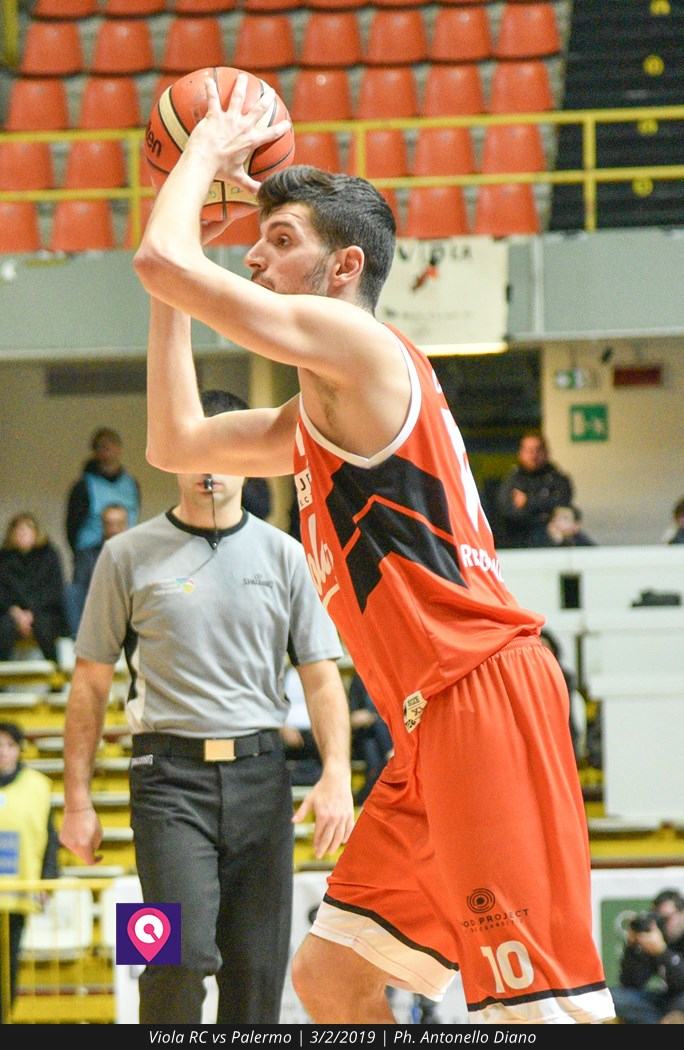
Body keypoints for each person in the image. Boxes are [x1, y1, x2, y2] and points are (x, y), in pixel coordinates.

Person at [132, 75, 614, 1024]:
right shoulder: (318, 411)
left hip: (482, 693)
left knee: (540, 1014)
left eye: (281, 241)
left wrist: (201, 159)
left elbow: (159, 257)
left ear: (343, 267)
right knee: (331, 980)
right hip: (428, 722)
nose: (257, 258)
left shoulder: (360, 348)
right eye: (257, 240)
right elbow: (176, 442)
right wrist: (177, 273)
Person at [59, 389, 354, 1026]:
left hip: (262, 779)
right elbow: (89, 685)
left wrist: (336, 773)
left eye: (224, 450)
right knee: (175, 957)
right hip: (166, 784)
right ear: (172, 456)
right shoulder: (124, 555)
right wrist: (77, 800)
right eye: (196, 450)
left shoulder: (286, 554)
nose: (209, 467)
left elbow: (322, 678)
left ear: (249, 461)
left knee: (256, 976)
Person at [0, 721, 59, 1024]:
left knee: (8, 966)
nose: (2, 752)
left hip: (16, 896)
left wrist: (48, 881)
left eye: (9, 745)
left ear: (19, 749)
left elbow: (50, 840)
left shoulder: (37, 787)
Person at [0, 513, 67, 663]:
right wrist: (16, 612)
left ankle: (55, 670)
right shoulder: (3, 558)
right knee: (4, 627)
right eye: (19, 531)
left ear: (36, 533)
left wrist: (32, 612)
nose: (22, 534)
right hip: (10, 612)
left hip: (44, 610)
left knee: (45, 626)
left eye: (27, 530)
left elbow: (54, 590)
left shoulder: (49, 555)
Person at [610, 889, 684, 1024]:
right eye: (658, 919)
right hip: (663, 1001)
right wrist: (633, 947)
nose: (662, 924)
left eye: (666, 919)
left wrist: (663, 953)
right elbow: (630, 983)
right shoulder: (657, 936)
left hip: (680, 1001)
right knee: (611, 998)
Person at [65, 427, 140, 556]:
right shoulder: (83, 486)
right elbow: (73, 525)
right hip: (91, 551)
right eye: (102, 446)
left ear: (119, 449)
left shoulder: (131, 484)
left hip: (125, 549)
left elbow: (135, 514)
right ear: (95, 451)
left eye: (111, 444)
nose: (107, 449)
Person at [496, 432, 574, 548]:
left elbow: (562, 503)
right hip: (517, 541)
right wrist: (542, 510)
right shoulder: (512, 480)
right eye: (529, 450)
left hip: (552, 543)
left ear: (546, 452)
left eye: (538, 450)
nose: (533, 455)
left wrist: (528, 502)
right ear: (521, 453)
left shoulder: (558, 478)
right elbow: (506, 510)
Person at [65, 503, 129, 637]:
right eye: (109, 524)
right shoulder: (88, 555)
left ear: (126, 525)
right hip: (98, 606)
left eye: (119, 524)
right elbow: (80, 586)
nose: (114, 529)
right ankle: (79, 640)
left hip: (130, 607)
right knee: (71, 592)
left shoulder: (139, 553)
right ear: (103, 525)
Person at [348, 672, 393, 805]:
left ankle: (365, 796)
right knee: (372, 735)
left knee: (374, 738)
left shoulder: (392, 676)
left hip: (387, 735)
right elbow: (351, 717)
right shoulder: (358, 679)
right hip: (364, 735)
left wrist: (373, 717)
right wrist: (364, 718)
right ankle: (389, 757)